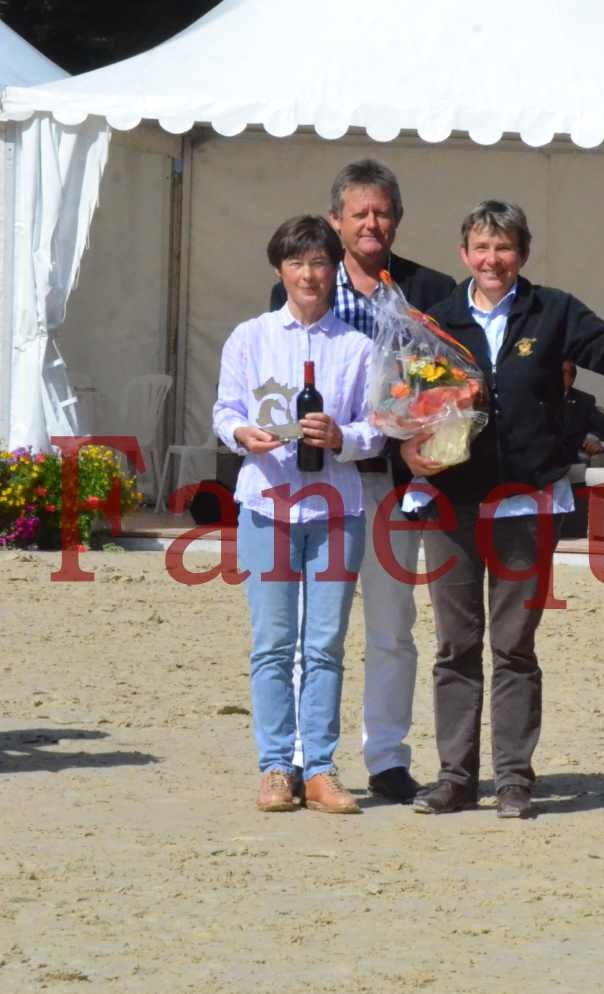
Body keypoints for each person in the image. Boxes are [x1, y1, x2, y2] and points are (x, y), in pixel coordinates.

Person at [404, 200, 604, 819]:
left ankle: (513, 779)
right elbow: (404, 398)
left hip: (526, 502)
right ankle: (456, 777)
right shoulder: (436, 320)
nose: (492, 260)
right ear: (464, 255)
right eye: (481, 248)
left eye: (504, 248)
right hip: (453, 500)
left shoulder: (555, 310)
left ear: (523, 254)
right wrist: (410, 438)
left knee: (514, 646)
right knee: (455, 645)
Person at [268, 159, 455, 805]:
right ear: (335, 221)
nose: (371, 223)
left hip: (394, 483)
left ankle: (387, 757)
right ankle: (297, 759)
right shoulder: (306, 289)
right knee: (310, 629)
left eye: (381, 213)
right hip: (318, 482)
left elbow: (450, 379)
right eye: (359, 213)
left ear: (396, 220)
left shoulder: (430, 288)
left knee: (392, 625)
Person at [216, 215, 384, 813]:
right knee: (271, 642)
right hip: (266, 503)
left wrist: (344, 436)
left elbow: (378, 431)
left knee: (325, 643)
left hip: (337, 510)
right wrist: (242, 433)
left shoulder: (358, 347)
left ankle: (320, 768)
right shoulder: (250, 337)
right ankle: (274, 768)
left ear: (335, 269)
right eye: (297, 263)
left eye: (319, 263)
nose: (309, 274)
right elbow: (224, 410)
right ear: (280, 270)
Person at [557, 360, 604, 541]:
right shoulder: (538, 397)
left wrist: (599, 443)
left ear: (571, 379)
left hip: (570, 459)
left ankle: (571, 531)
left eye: (562, 373)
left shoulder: (583, 402)